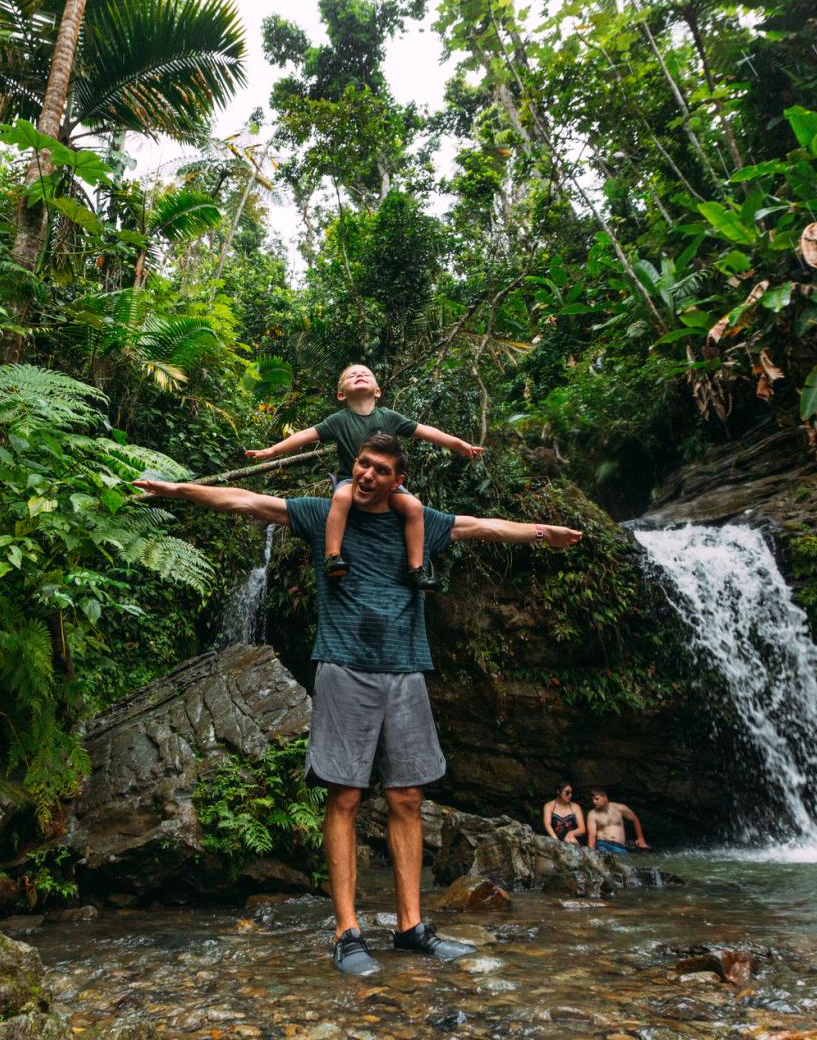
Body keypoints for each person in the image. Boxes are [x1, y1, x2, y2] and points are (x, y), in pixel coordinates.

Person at [134, 433, 582, 977]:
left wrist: (544, 533)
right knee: (344, 795)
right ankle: (347, 933)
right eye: (363, 464)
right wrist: (178, 490)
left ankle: (410, 928)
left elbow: (483, 527)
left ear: (398, 482)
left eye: (380, 470)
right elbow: (246, 501)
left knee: (408, 797)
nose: (367, 475)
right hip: (344, 666)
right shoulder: (325, 514)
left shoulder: (419, 522)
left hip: (406, 669)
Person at [244, 363, 483, 592]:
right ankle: (332, 557)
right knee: (341, 498)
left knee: (414, 506)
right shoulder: (339, 420)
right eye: (352, 375)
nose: (359, 375)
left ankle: (416, 568)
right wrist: (272, 451)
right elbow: (306, 435)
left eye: (365, 374)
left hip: (386, 484)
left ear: (377, 391)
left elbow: (425, 431)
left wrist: (458, 444)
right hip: (351, 480)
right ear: (341, 395)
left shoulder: (389, 417)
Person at [587, 789, 648, 854]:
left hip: (619, 846)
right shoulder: (592, 814)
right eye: (592, 800)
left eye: (597, 799)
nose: (594, 802)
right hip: (603, 844)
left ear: (605, 797)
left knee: (626, 858)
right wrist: (591, 853)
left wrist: (641, 839)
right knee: (604, 853)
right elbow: (592, 837)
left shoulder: (620, 808)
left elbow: (635, 819)